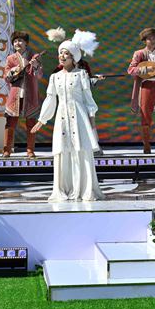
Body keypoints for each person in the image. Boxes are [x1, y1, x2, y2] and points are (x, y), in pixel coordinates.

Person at [32, 32, 103, 202]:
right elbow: (50, 99)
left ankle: (84, 189)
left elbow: (88, 100)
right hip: (62, 118)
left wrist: (92, 122)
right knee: (63, 150)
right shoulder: (55, 77)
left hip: (79, 118)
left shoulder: (82, 74)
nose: (62, 56)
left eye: (66, 53)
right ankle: (64, 188)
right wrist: (42, 120)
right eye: (60, 53)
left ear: (74, 58)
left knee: (81, 150)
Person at [2, 31, 43, 158]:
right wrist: (12, 71)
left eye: (20, 41)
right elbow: (6, 78)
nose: (17, 43)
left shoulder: (34, 56)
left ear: (26, 43)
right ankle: (7, 150)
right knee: (10, 123)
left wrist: (36, 67)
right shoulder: (10, 58)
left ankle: (30, 150)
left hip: (30, 95)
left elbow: (39, 76)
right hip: (15, 95)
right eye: (15, 41)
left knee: (31, 123)